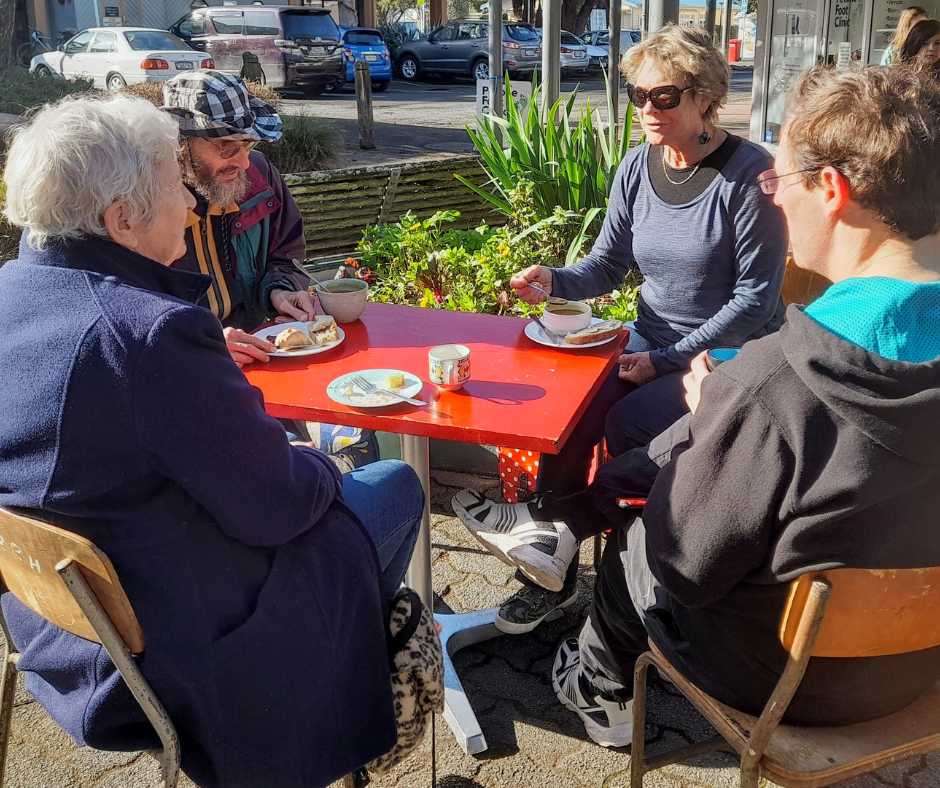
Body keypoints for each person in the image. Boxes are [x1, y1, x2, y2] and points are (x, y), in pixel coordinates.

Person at [0, 93, 423, 787]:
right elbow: (279, 507)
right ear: (122, 219)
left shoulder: (12, 291)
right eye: (175, 186)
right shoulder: (149, 332)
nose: (192, 207)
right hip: (179, 649)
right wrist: (319, 460)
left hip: (58, 635)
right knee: (392, 488)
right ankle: (324, 697)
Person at [550, 64, 940, 749]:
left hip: (785, 683)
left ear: (832, 190)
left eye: (778, 183)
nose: (774, 202)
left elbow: (687, 566)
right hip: (919, 673)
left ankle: (593, 678)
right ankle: (564, 520)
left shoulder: (772, 385)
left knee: (642, 541)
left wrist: (716, 417)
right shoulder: (774, 378)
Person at [452, 24, 788, 635]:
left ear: (704, 96)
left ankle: (622, 585)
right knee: (568, 410)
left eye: (665, 97)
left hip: (729, 353)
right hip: (652, 339)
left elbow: (758, 301)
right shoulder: (638, 166)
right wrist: (552, 279)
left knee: (623, 421)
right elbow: (607, 264)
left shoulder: (748, 176)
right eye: (638, 96)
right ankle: (547, 565)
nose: (648, 109)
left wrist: (666, 360)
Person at [163, 70, 379, 468]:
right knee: (286, 470)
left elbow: (286, 250)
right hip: (188, 382)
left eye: (248, 143)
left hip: (265, 355)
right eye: (227, 146)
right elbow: (130, 310)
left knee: (350, 428)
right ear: (179, 145)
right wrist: (201, 341)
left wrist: (280, 288)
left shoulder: (259, 172)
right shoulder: (148, 204)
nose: (244, 161)